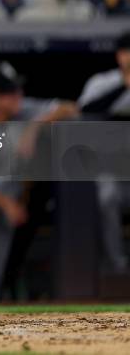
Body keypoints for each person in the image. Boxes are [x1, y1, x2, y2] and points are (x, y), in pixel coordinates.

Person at [0, 61, 78, 304]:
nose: (17, 96)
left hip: (4, 204)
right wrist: (6, 204)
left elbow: (70, 108)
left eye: (17, 90)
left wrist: (35, 127)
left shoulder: (24, 111)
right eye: (8, 92)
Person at [79, 31, 130, 272]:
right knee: (106, 194)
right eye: (126, 51)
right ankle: (117, 266)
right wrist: (124, 85)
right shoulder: (102, 82)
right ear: (119, 55)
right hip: (110, 171)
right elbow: (84, 111)